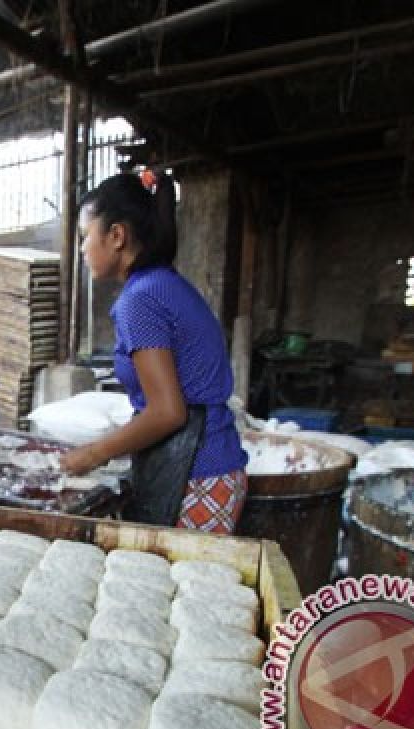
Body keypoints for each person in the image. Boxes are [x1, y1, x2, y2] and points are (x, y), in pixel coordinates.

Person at [59, 172, 249, 534]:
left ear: (116, 236)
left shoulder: (141, 300)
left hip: (196, 473)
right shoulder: (164, 284)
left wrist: (93, 454)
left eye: (85, 237)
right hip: (207, 466)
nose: (82, 250)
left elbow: (168, 412)